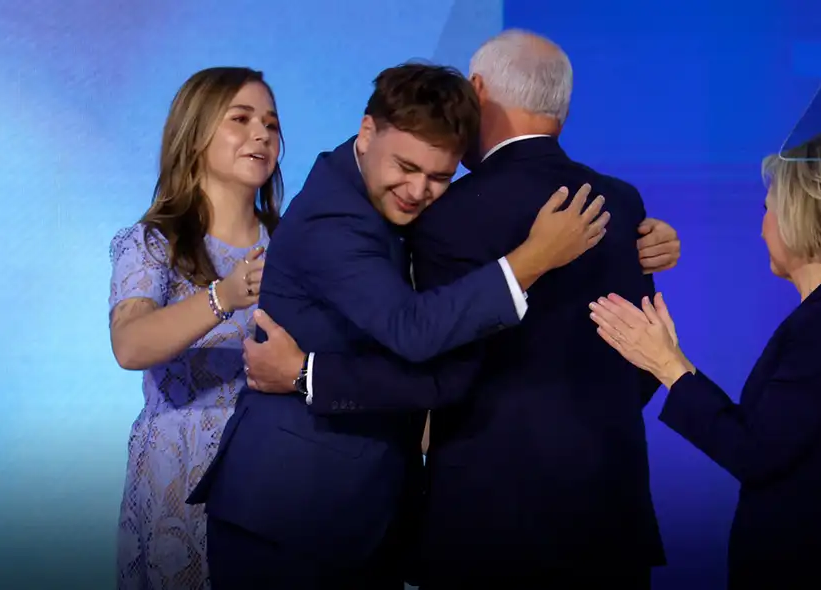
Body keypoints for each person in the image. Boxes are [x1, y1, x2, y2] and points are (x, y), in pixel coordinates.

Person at [243, 31, 672, 590]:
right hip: (609, 513)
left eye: (436, 176)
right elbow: (640, 363)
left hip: (486, 516)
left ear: (476, 91)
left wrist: (306, 374)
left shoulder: (451, 214)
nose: (422, 189)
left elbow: (443, 369)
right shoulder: (619, 201)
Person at [589, 133, 821, 590]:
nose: (762, 227)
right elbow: (771, 440)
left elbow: (755, 453)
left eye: (767, 209)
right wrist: (673, 363)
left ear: (801, 213)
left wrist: (669, 367)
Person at [108, 67, 282, 589]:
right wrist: (222, 296)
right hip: (178, 475)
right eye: (241, 119)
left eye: (271, 124)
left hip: (272, 472)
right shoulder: (152, 243)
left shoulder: (295, 245)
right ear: (195, 132)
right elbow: (131, 343)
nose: (262, 135)